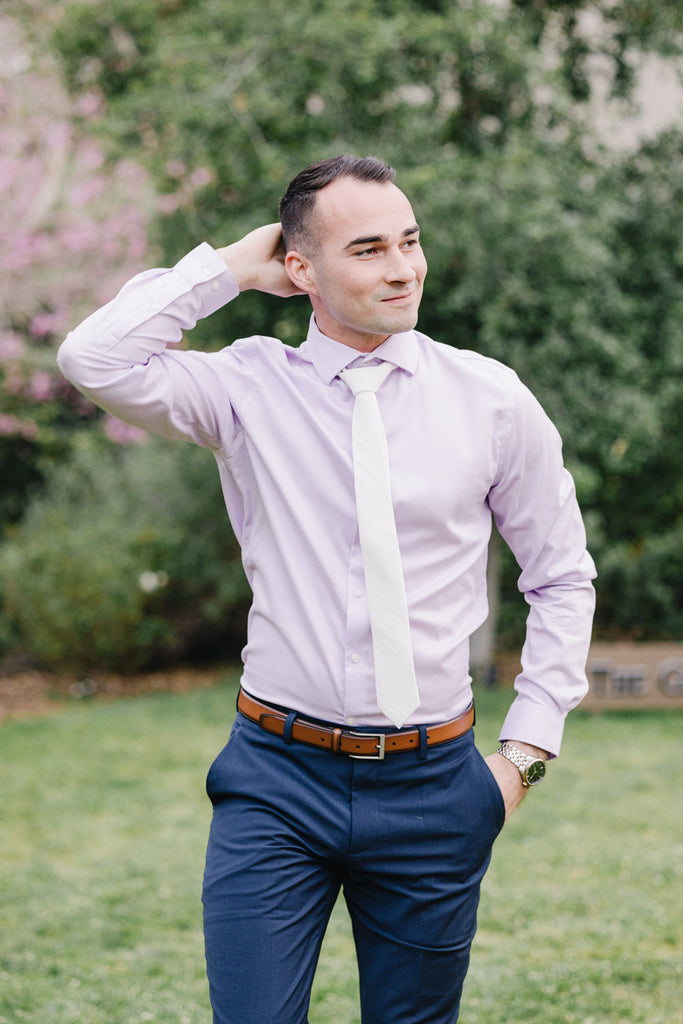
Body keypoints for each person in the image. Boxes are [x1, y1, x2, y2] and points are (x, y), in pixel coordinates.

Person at [57, 154, 596, 1024]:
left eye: (410, 242)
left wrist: (525, 753)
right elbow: (93, 356)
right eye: (369, 248)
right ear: (299, 269)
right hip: (275, 780)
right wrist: (230, 266)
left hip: (436, 786)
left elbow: (562, 575)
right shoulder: (242, 388)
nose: (402, 268)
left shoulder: (489, 399)